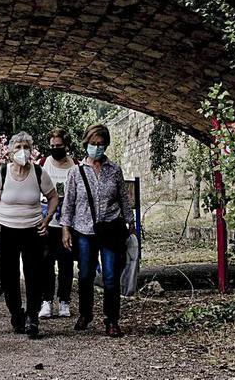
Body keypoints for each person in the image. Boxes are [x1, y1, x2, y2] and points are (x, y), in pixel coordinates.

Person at [61, 124, 135, 338]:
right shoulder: (76, 172)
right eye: (93, 144)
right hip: (84, 230)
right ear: (86, 144)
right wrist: (65, 229)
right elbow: (69, 203)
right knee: (85, 274)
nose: (97, 148)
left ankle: (112, 320)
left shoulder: (114, 170)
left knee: (111, 276)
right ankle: (85, 313)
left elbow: (123, 198)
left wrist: (131, 224)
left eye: (101, 144)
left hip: (110, 228)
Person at [0, 132, 59, 338]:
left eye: (25, 146)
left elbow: (53, 197)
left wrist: (47, 219)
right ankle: (16, 314)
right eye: (17, 147)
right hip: (6, 230)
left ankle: (32, 317)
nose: (22, 151)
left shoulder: (39, 173)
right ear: (10, 152)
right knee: (9, 277)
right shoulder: (1, 174)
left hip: (33, 231)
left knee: (34, 275)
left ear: (31, 150)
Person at [39, 127, 77, 319]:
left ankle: (64, 300)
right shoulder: (43, 164)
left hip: (68, 224)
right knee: (46, 262)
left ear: (66, 145)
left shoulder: (75, 167)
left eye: (59, 146)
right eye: (52, 146)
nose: (55, 149)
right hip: (48, 222)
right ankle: (46, 301)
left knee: (66, 263)